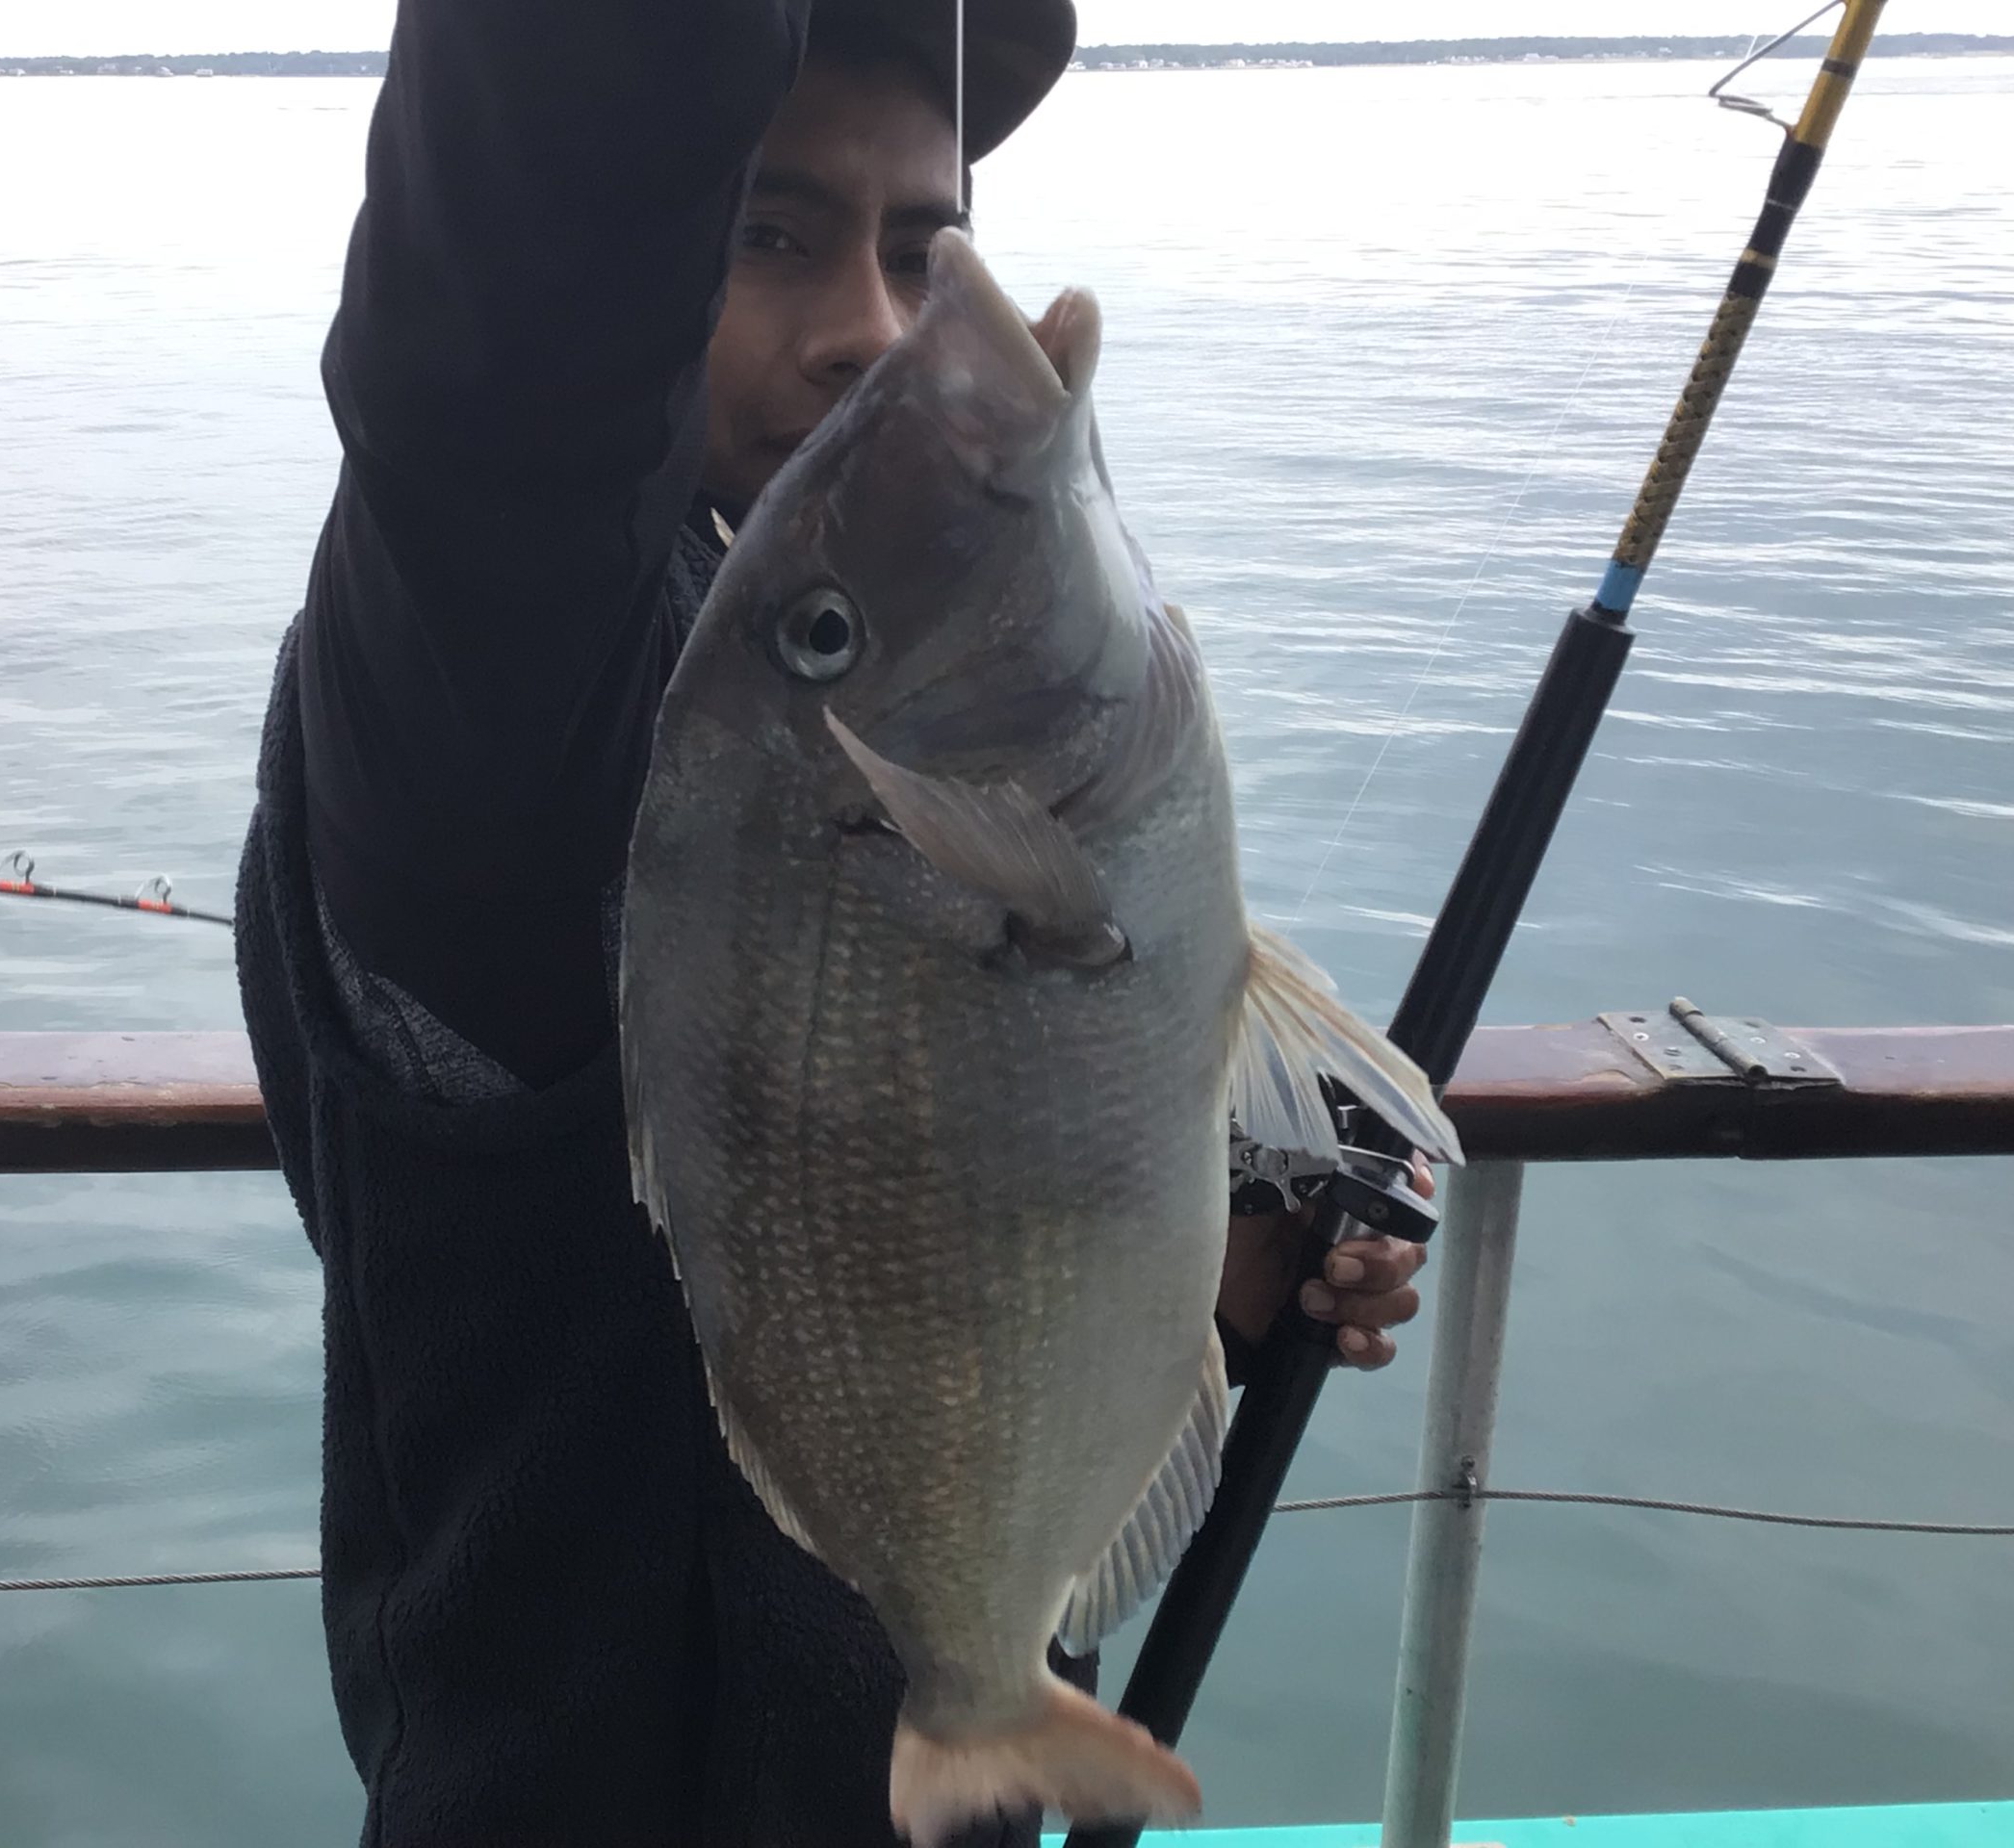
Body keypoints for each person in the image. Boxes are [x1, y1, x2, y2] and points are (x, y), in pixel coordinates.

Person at [234, 3, 1433, 1842]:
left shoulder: (834, 655)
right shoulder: (478, 710)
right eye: (762, 232)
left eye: (916, 243)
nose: (873, 324)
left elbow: (925, 1222)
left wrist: (1198, 1294)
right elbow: (509, 339)